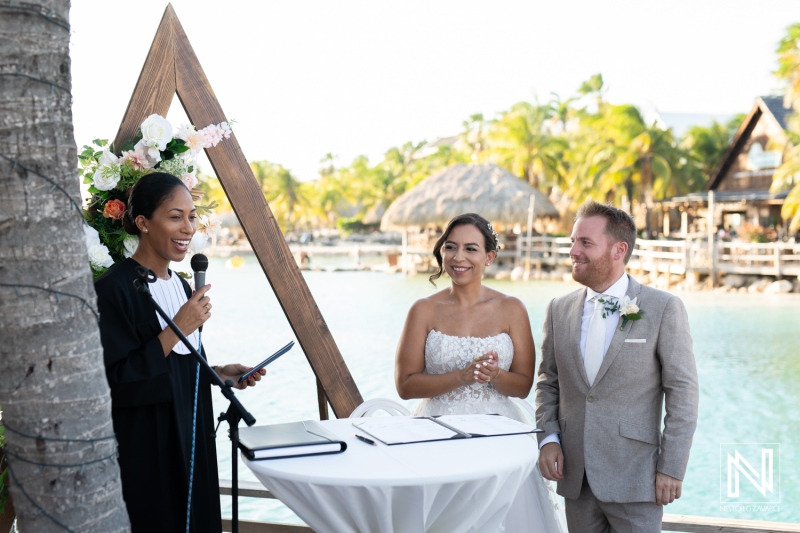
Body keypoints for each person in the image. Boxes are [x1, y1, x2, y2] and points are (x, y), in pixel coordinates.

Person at [95, 172, 266, 532]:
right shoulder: (114, 290)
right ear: (143, 223)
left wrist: (218, 373)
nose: (187, 227)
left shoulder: (185, 285)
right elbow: (118, 381)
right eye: (175, 217)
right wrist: (178, 328)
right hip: (147, 449)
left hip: (193, 436)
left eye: (191, 216)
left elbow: (175, 366)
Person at [395, 213, 567, 533]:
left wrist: (494, 375)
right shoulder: (423, 310)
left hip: (499, 434)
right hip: (437, 434)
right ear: (442, 252)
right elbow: (405, 386)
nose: (459, 257)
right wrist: (461, 376)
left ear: (489, 257)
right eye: (451, 247)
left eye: (471, 249)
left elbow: (523, 385)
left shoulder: (512, 308)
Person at [535, 200, 699, 532]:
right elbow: (548, 382)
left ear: (618, 250)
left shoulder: (663, 308)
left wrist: (671, 467)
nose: (573, 251)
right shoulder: (558, 309)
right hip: (575, 477)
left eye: (585, 243)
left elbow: (683, 392)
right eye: (572, 241)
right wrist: (548, 438)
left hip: (637, 478)